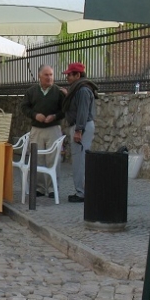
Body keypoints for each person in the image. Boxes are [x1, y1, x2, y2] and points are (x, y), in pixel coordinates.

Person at [20, 65, 65, 198]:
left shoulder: (58, 92)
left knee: (54, 159)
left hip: (53, 129)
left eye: (51, 74)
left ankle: (52, 189)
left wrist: (54, 116)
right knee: (36, 158)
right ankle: (38, 188)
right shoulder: (31, 91)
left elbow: (64, 110)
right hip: (37, 129)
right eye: (46, 75)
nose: (49, 77)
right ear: (40, 76)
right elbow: (24, 107)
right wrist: (35, 115)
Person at [62, 62, 98, 203]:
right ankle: (81, 190)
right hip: (81, 126)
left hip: (81, 127)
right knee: (79, 159)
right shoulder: (80, 89)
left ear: (77, 75)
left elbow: (82, 112)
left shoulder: (82, 90)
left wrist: (78, 130)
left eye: (69, 75)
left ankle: (81, 193)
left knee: (80, 160)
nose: (67, 78)